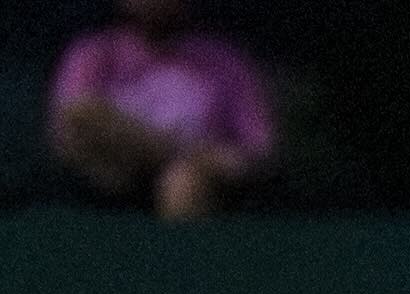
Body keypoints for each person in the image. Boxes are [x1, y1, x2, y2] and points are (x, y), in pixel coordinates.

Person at [49, 0, 275, 222]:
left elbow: (258, 147)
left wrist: (217, 161)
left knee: (183, 182)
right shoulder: (93, 54)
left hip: (197, 173)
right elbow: (73, 125)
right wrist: (158, 146)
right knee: (81, 116)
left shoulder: (224, 61)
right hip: (113, 173)